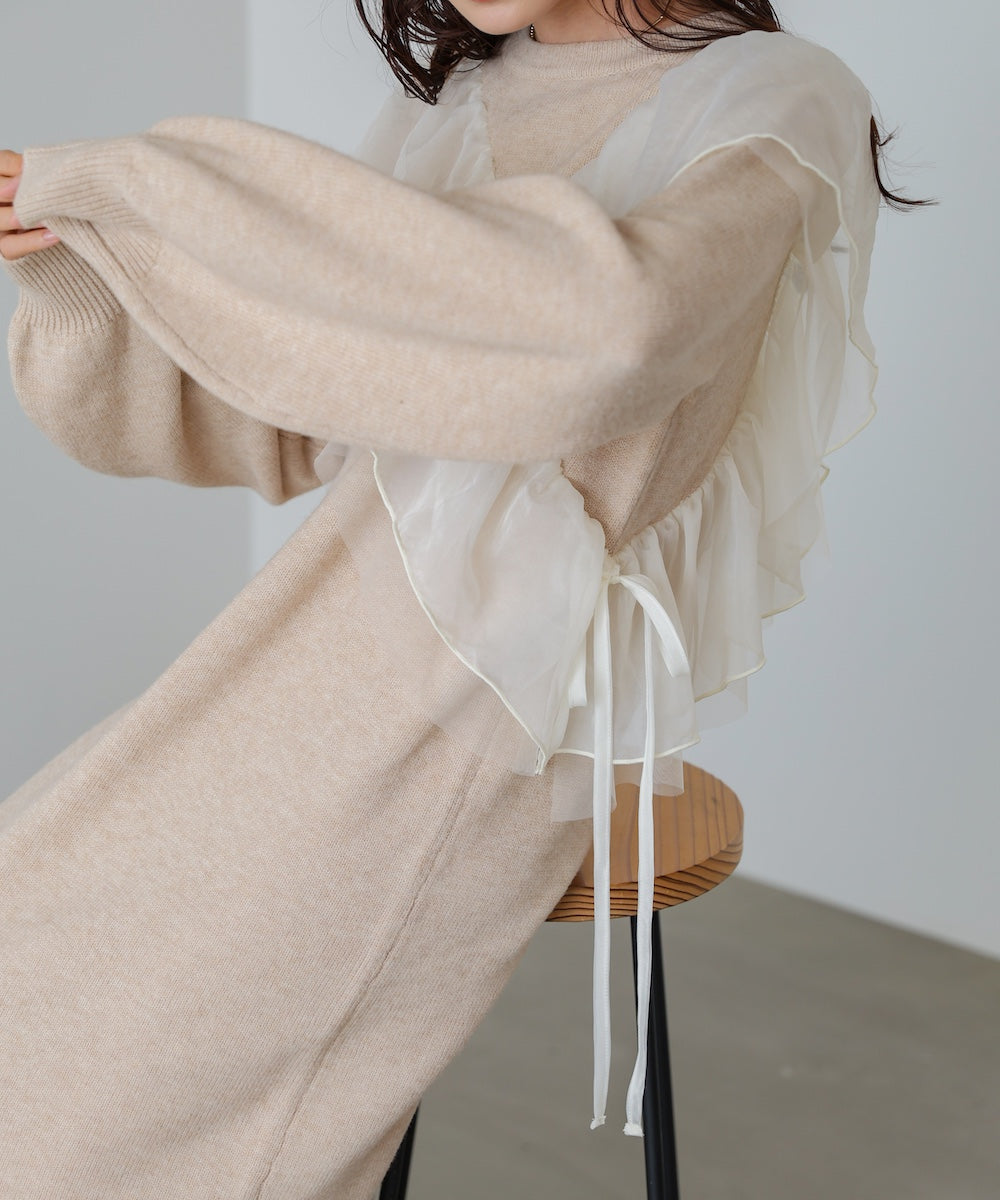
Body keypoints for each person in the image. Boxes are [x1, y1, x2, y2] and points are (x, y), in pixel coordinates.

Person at [0, 1, 928, 1195]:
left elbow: (615, 336)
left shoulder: (775, 96)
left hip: (479, 709)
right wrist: (83, 263)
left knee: (119, 1095)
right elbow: (283, 424)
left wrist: (160, 189)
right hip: (302, 647)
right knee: (36, 919)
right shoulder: (461, 106)